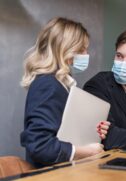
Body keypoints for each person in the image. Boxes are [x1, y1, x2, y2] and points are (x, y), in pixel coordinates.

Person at [20, 17, 110, 168]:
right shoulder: (48, 85)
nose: (86, 54)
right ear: (65, 50)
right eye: (81, 49)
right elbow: (40, 145)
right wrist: (84, 151)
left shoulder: (60, 84)